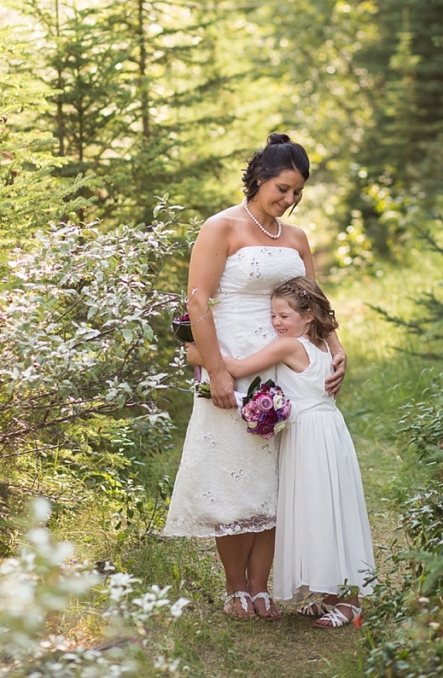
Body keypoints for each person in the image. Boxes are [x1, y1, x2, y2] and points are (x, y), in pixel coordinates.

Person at [163, 134, 347, 620]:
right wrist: (216, 371)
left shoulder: (297, 239)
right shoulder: (221, 227)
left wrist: (335, 346)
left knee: (275, 480)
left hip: (284, 368)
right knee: (233, 476)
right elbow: (197, 302)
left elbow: (316, 305)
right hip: (231, 364)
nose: (289, 201)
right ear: (260, 178)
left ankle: (262, 586)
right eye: (282, 189)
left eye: (297, 193)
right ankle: (235, 587)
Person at [188, 276, 376, 628]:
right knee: (326, 512)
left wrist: (198, 354)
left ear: (308, 316)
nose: (276, 323)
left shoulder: (290, 347)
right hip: (327, 433)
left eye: (284, 315)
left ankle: (350, 603)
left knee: (323, 512)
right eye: (273, 315)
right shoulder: (321, 346)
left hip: (310, 437)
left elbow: (241, 368)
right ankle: (333, 595)